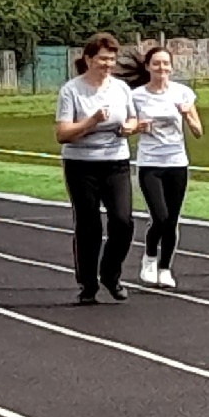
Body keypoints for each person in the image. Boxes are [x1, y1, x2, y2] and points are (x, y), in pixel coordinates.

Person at [56, 31, 143, 303]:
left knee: (123, 221)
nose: (107, 65)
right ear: (88, 59)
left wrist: (130, 127)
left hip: (115, 161)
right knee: (89, 225)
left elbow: (131, 119)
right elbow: (62, 133)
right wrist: (90, 122)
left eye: (111, 60)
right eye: (102, 59)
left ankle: (110, 272)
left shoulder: (120, 89)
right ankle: (88, 283)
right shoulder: (72, 90)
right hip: (81, 164)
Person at [130, 45, 201, 288]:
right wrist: (139, 126)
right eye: (156, 63)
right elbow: (126, 128)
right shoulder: (136, 96)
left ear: (171, 67)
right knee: (159, 217)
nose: (162, 68)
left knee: (172, 220)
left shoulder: (182, 93)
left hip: (177, 162)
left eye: (166, 64)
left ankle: (165, 268)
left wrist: (187, 116)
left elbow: (198, 131)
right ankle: (150, 257)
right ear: (148, 67)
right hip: (150, 162)